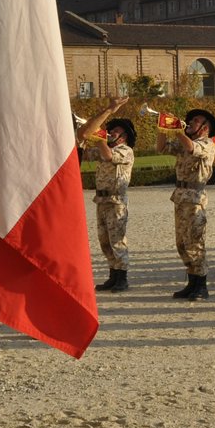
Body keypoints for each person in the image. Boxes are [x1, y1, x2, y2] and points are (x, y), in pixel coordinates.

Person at [157, 107, 215, 299]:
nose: (190, 122)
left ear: (205, 128)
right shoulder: (185, 142)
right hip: (181, 196)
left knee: (195, 241)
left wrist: (177, 130)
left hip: (195, 197)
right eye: (190, 120)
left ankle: (201, 285)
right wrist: (162, 127)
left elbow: (192, 148)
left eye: (196, 121)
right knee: (182, 243)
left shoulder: (207, 143)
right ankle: (192, 281)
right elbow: (161, 147)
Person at [78, 97, 136, 291]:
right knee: (105, 241)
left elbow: (109, 156)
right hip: (102, 200)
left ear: (124, 137)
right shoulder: (104, 148)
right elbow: (84, 135)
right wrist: (105, 113)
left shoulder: (126, 150)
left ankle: (123, 277)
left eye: (116, 131)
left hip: (116, 200)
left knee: (117, 239)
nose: (112, 132)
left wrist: (101, 138)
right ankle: (113, 274)